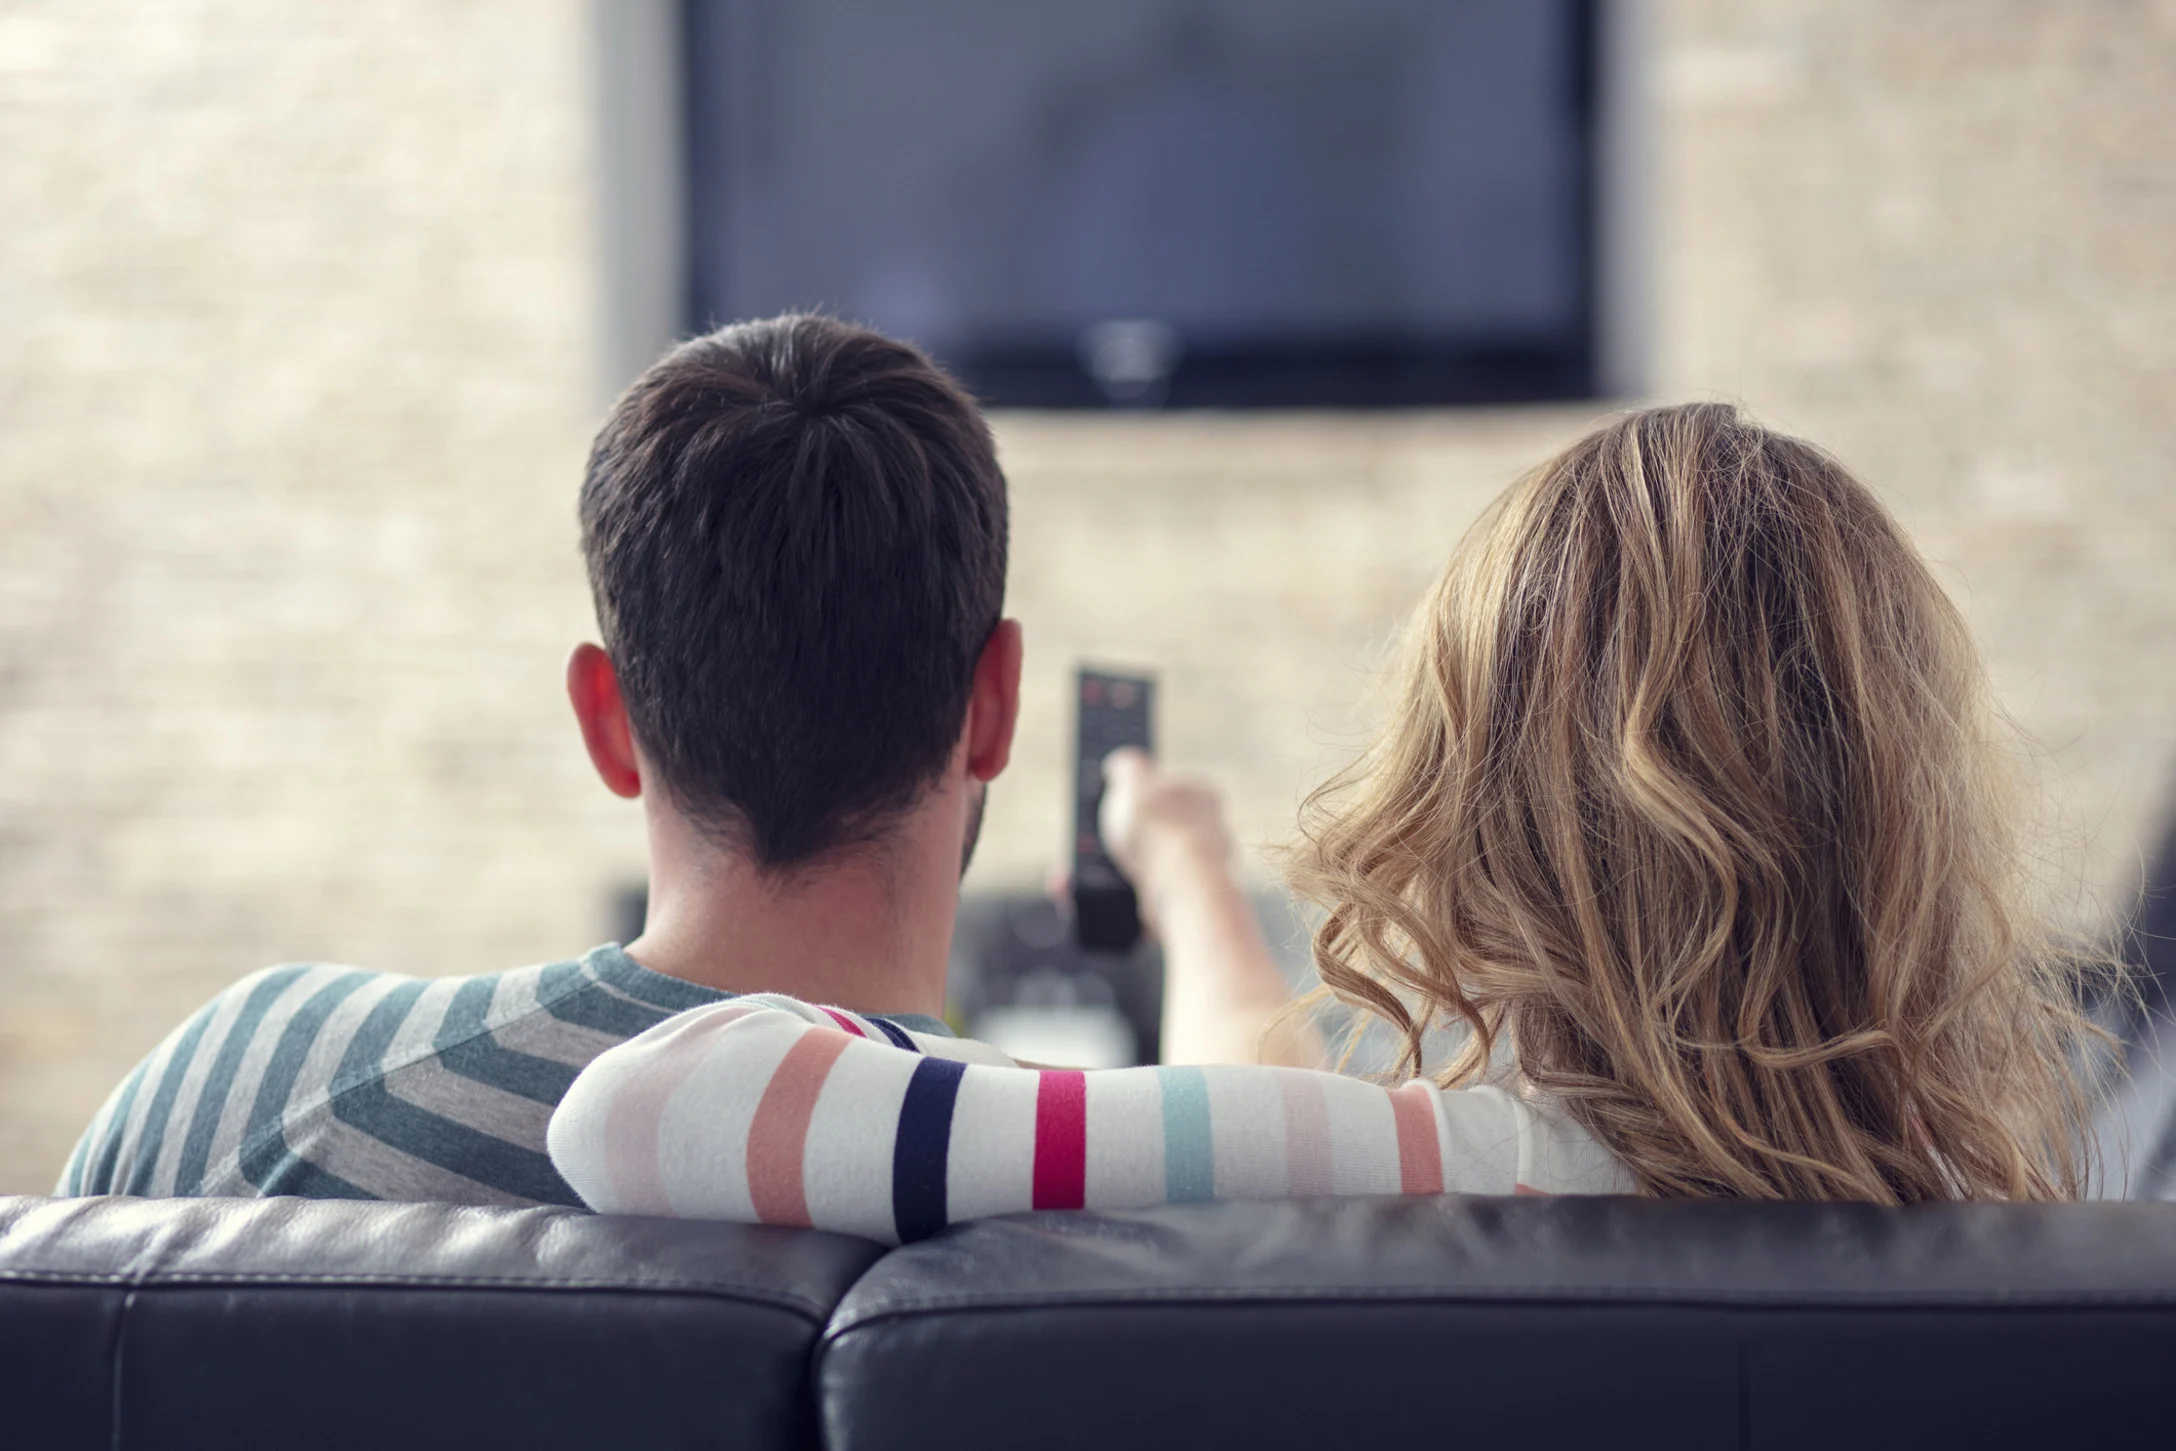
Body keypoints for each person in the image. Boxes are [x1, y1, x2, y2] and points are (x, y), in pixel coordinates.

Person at [547, 402, 2118, 1242]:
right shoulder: (2029, 1240)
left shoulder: (1435, 1165)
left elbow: (645, 1108)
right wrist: (1194, 882)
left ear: (1473, 803)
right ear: (1901, 812)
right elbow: (1264, 1105)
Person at [55, 314, 1028, 1205]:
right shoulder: (1104, 1214)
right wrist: (1187, 882)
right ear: (995, 707)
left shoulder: (244, 1081)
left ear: (603, 719)